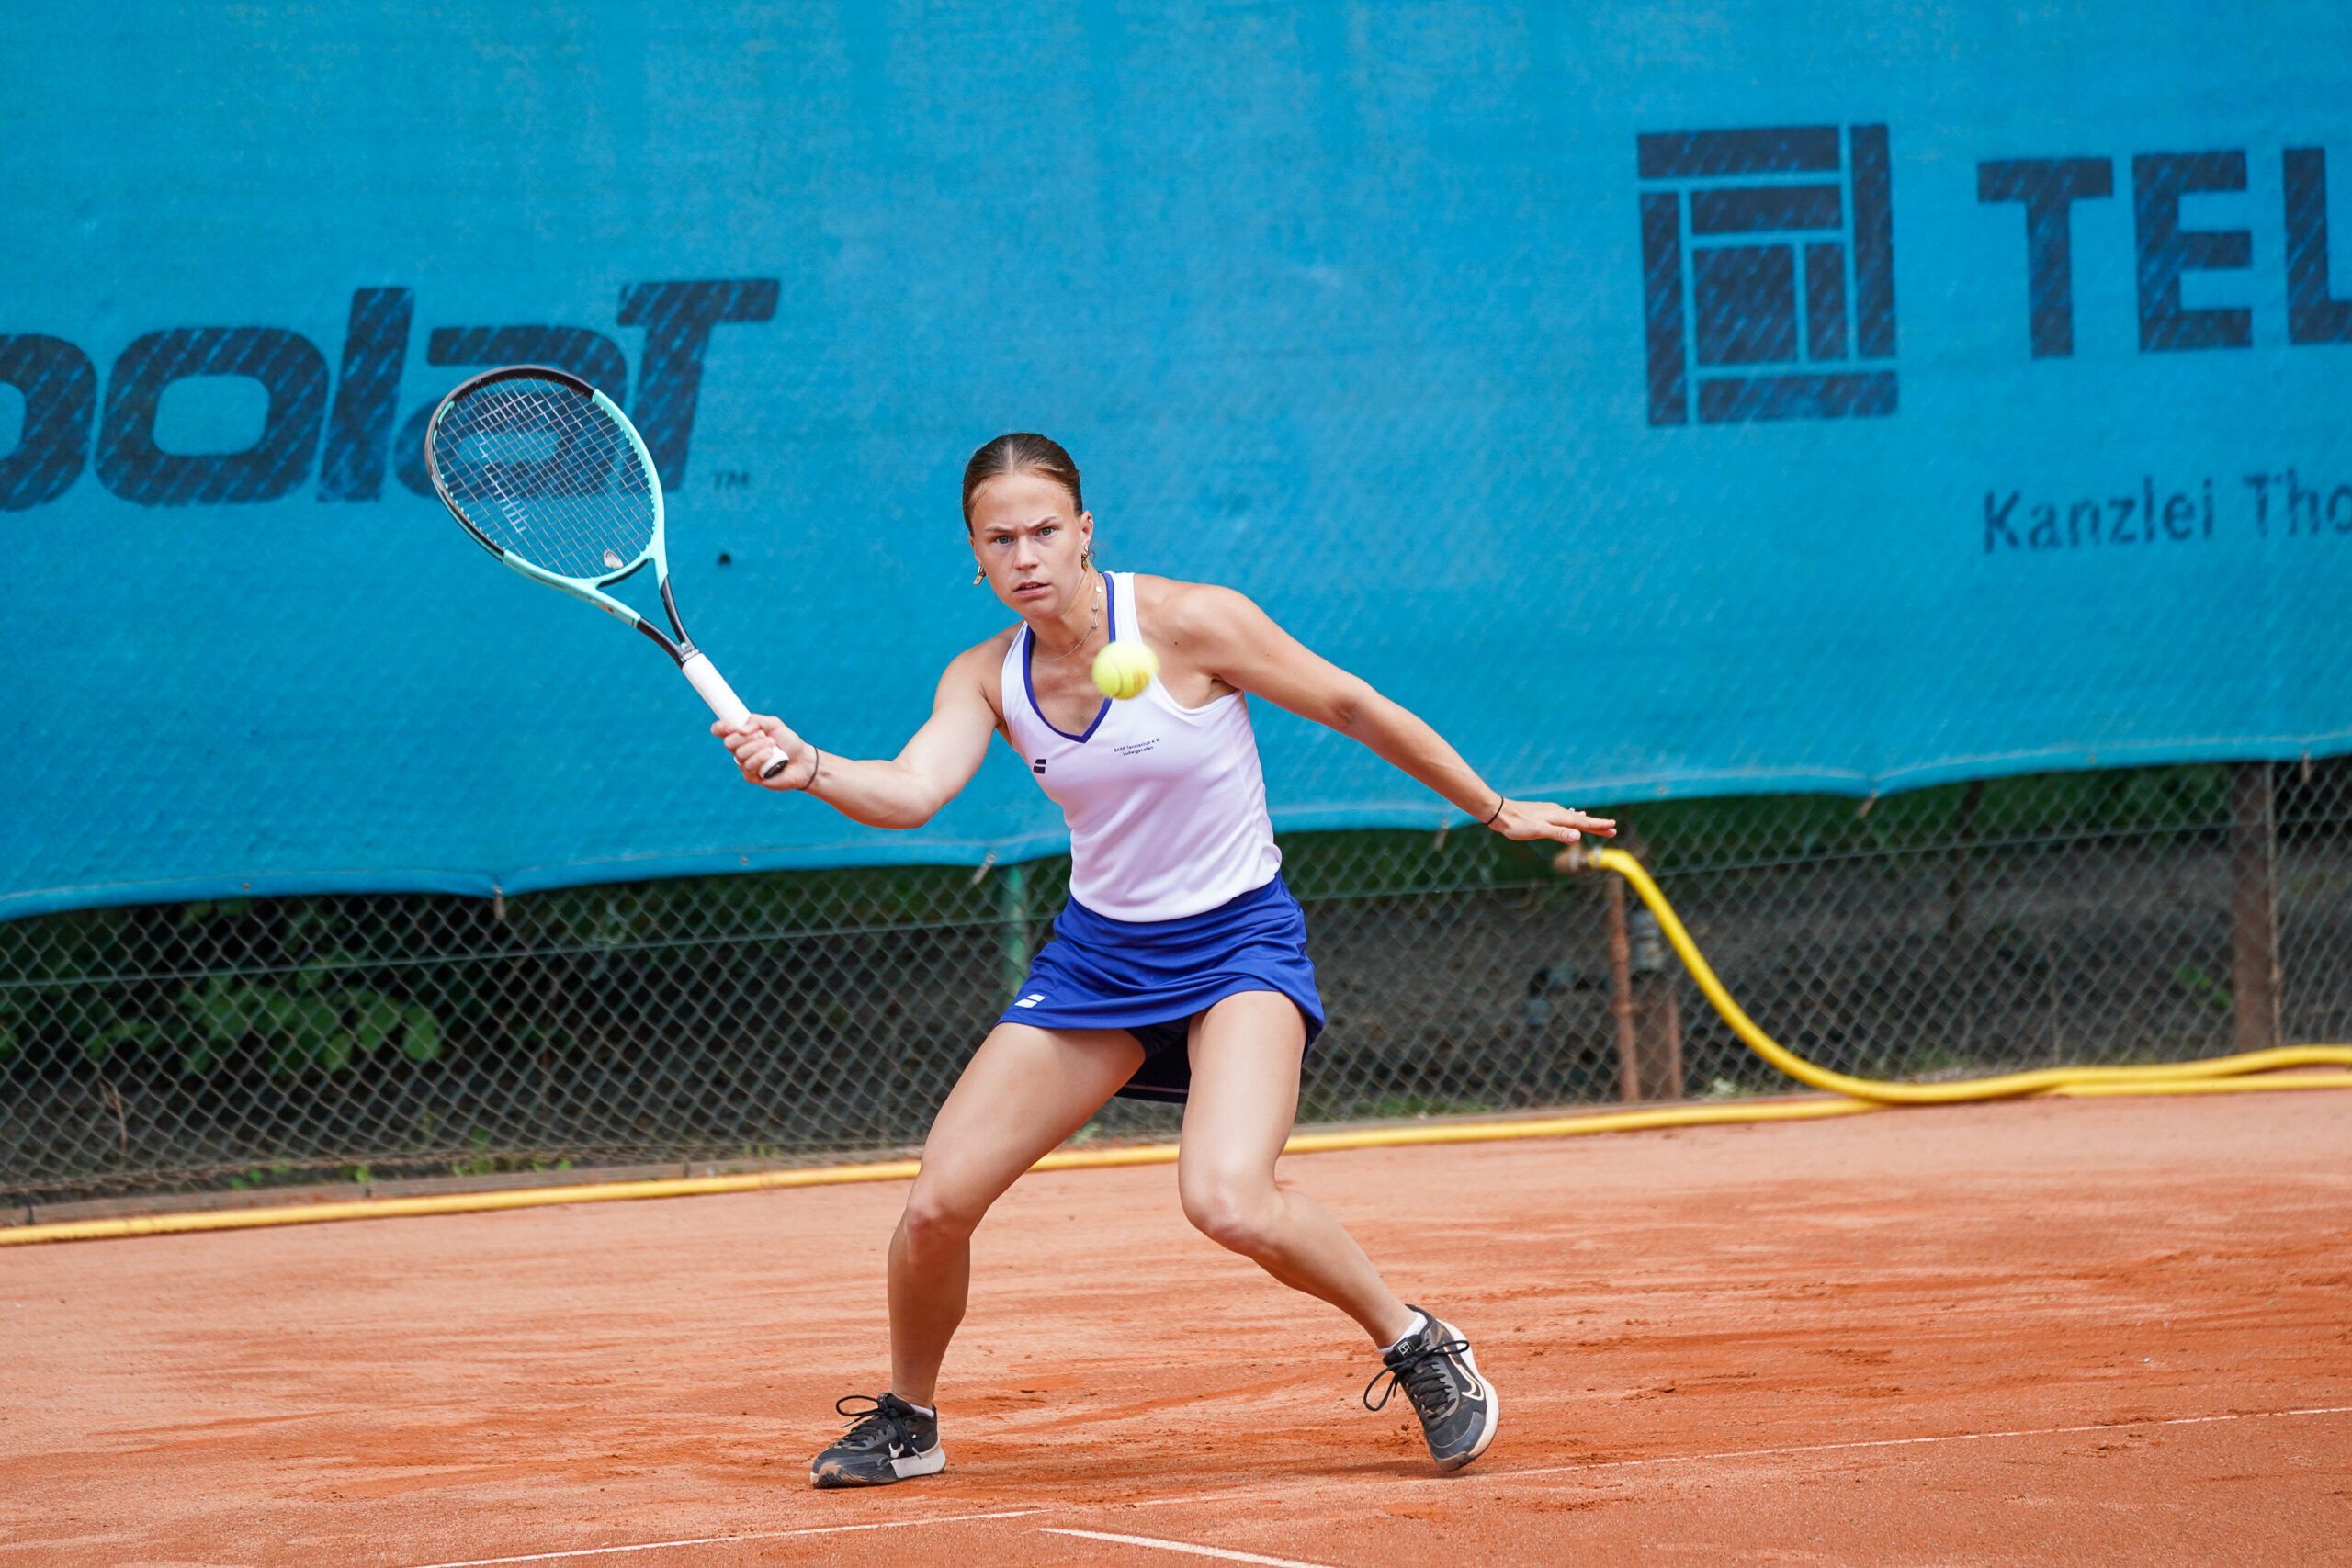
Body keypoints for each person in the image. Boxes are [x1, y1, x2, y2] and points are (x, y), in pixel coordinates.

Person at [715, 434, 1615, 1488]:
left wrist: (1493, 807)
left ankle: (1419, 1341)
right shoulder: (987, 677)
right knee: (935, 1206)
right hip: (1098, 964)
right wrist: (811, 766)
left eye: (1046, 529)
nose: (1027, 555)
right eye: (1000, 539)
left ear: (1085, 529)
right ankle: (910, 1419)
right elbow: (912, 793)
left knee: (1228, 1199)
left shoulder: (1193, 622)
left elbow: (1352, 705)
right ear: (975, 555)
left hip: (1238, 944)